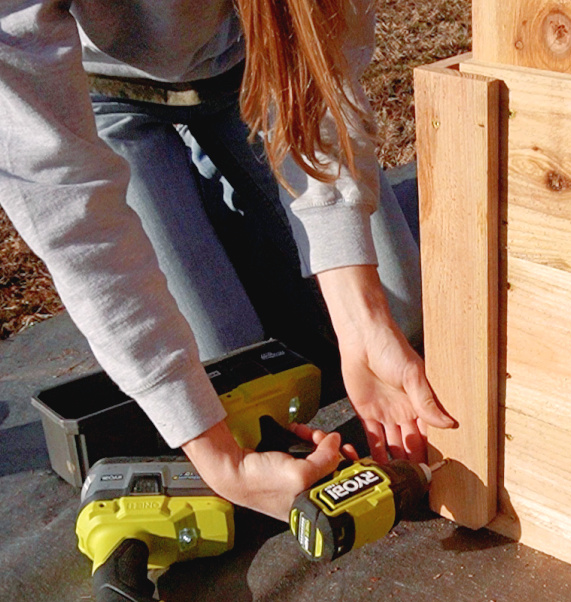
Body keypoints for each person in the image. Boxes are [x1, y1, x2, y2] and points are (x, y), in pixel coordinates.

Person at [0, 0, 456, 520]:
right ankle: (209, 191)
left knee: (403, 314)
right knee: (229, 373)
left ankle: (226, 193)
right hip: (108, 96)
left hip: (262, 62)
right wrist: (219, 461)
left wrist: (361, 317)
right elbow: (70, 209)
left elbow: (321, 70)